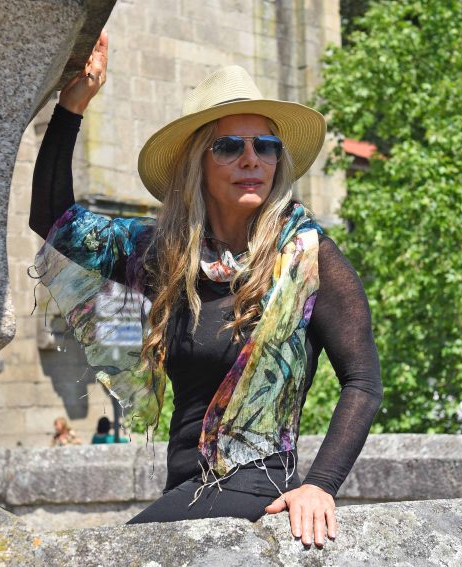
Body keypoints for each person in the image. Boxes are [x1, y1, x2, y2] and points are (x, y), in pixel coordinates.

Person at [29, 32, 383, 547]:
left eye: (265, 146)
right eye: (229, 146)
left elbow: (363, 382)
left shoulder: (309, 257)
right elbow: (54, 221)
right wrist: (72, 106)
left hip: (255, 489)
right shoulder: (169, 256)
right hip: (185, 491)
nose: (251, 159)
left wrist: (320, 485)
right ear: (198, 161)